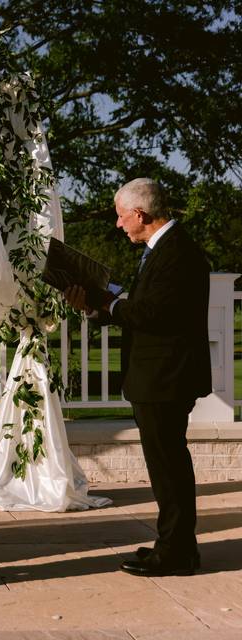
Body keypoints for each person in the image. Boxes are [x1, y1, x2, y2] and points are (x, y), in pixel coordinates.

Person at [64, 178, 210, 577]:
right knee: (165, 467)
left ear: (140, 214)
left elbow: (152, 314)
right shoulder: (161, 249)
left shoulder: (178, 253)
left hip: (167, 377)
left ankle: (177, 553)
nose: (117, 224)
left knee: (169, 468)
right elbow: (145, 309)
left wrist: (108, 303)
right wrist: (97, 306)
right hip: (159, 376)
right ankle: (174, 545)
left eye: (120, 215)